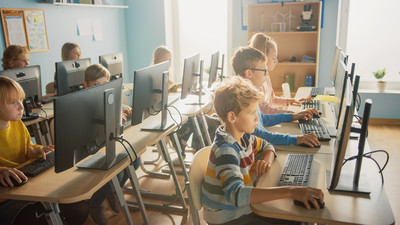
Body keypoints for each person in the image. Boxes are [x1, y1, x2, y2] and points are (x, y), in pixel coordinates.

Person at [201, 76, 324, 225]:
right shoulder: (226, 150)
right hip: (229, 217)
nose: (257, 119)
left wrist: (266, 161)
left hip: (242, 208)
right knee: (297, 219)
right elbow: (237, 195)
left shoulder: (245, 137)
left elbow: (267, 146)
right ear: (232, 117)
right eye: (252, 113)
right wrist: (291, 191)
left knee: (298, 217)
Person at [0, 75, 89, 225]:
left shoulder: (17, 124)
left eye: (21, 100)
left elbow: (27, 147)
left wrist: (37, 149)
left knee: (79, 208)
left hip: (29, 183)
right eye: (13, 102)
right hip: (8, 195)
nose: (21, 107)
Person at [83, 64, 139, 225]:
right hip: (92, 149)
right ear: (86, 84)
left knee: (135, 160)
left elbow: (114, 107)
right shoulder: (83, 103)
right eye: (96, 85)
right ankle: (95, 204)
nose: (101, 89)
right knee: (117, 173)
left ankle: (113, 192)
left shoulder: (107, 97)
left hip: (108, 143)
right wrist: (114, 118)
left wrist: (125, 109)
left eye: (104, 84)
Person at [232, 46, 320, 147]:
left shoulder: (250, 96)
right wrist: (296, 139)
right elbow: (260, 136)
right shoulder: (242, 102)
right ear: (249, 73)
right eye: (264, 71)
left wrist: (293, 116)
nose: (267, 75)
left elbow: (264, 119)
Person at [249, 32, 313, 114]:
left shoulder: (266, 76)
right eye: (273, 58)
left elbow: (273, 100)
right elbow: (265, 111)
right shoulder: (256, 82)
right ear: (263, 58)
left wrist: (294, 101)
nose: (277, 61)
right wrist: (293, 114)